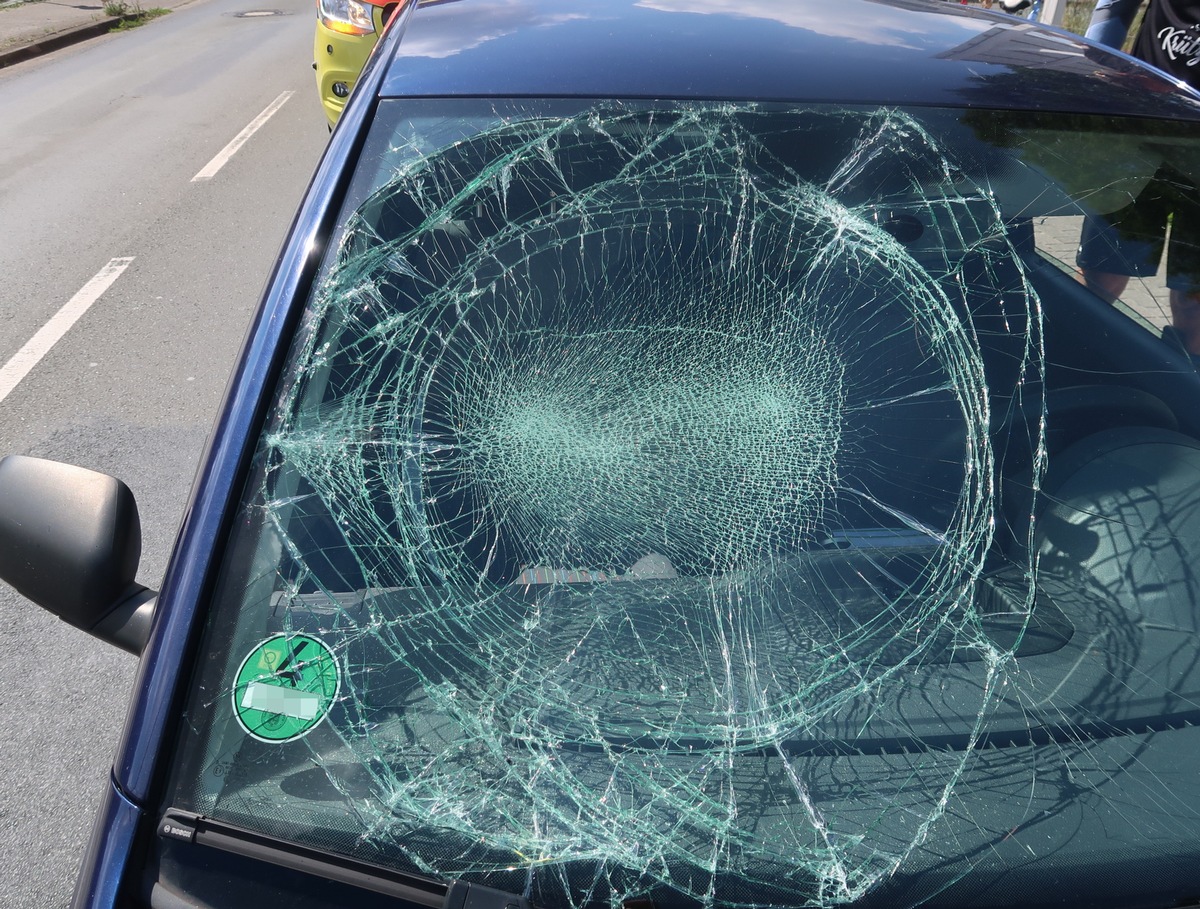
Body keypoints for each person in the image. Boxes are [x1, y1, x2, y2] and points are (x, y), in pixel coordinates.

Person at [1076, 0, 1200, 356]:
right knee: (1102, 278)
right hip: (1142, 130)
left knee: (1194, 301)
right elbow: (1111, 11)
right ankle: (1066, 364)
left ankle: (1181, 398)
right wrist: (1099, 58)